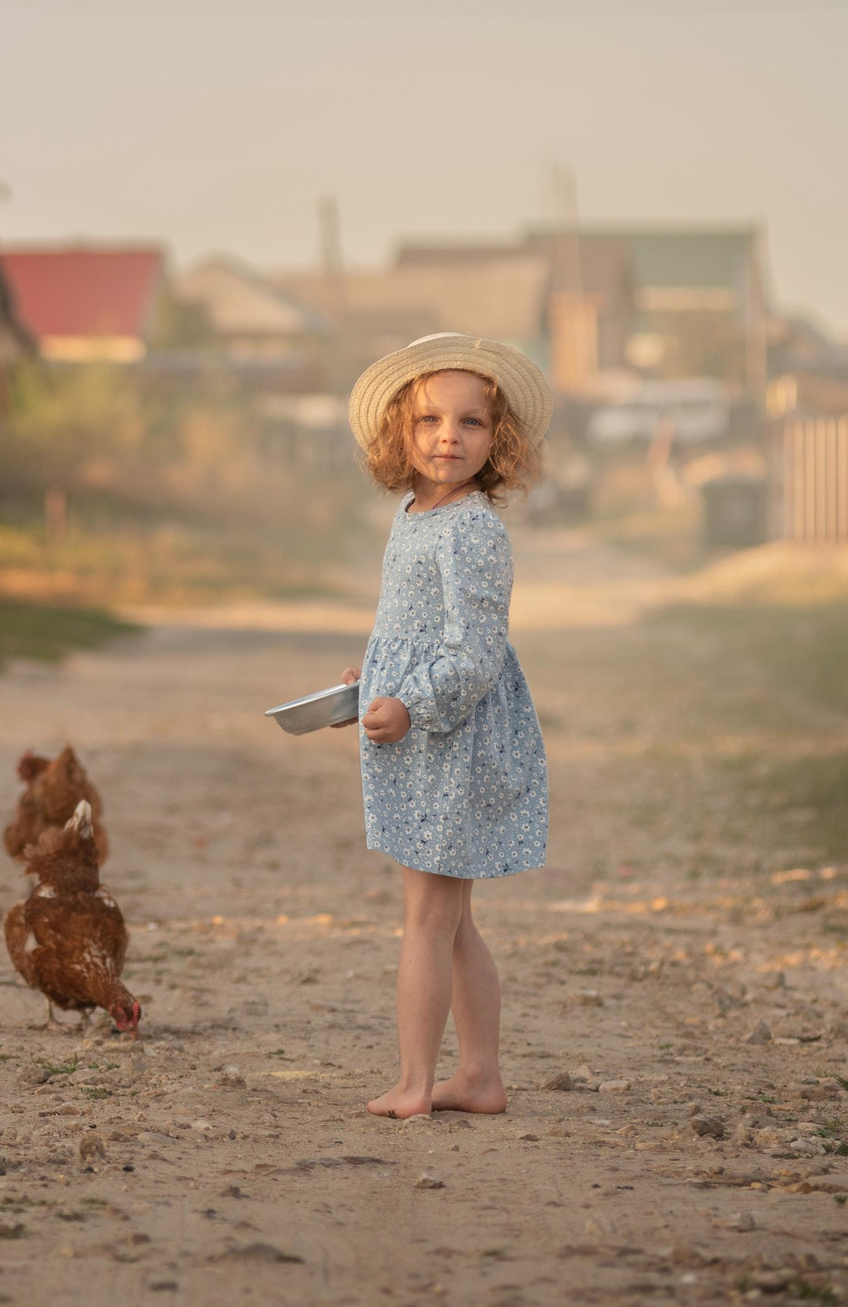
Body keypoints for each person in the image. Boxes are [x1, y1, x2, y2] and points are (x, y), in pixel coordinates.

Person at [334, 332, 552, 1118]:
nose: (447, 437)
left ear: (499, 440)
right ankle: (482, 1077)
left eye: (470, 423)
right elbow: (411, 625)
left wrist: (414, 701)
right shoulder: (413, 512)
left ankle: (415, 1082)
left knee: (426, 920)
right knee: (451, 922)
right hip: (422, 733)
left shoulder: (473, 528)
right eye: (428, 419)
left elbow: (474, 654)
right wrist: (375, 680)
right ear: (401, 429)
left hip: (451, 740)